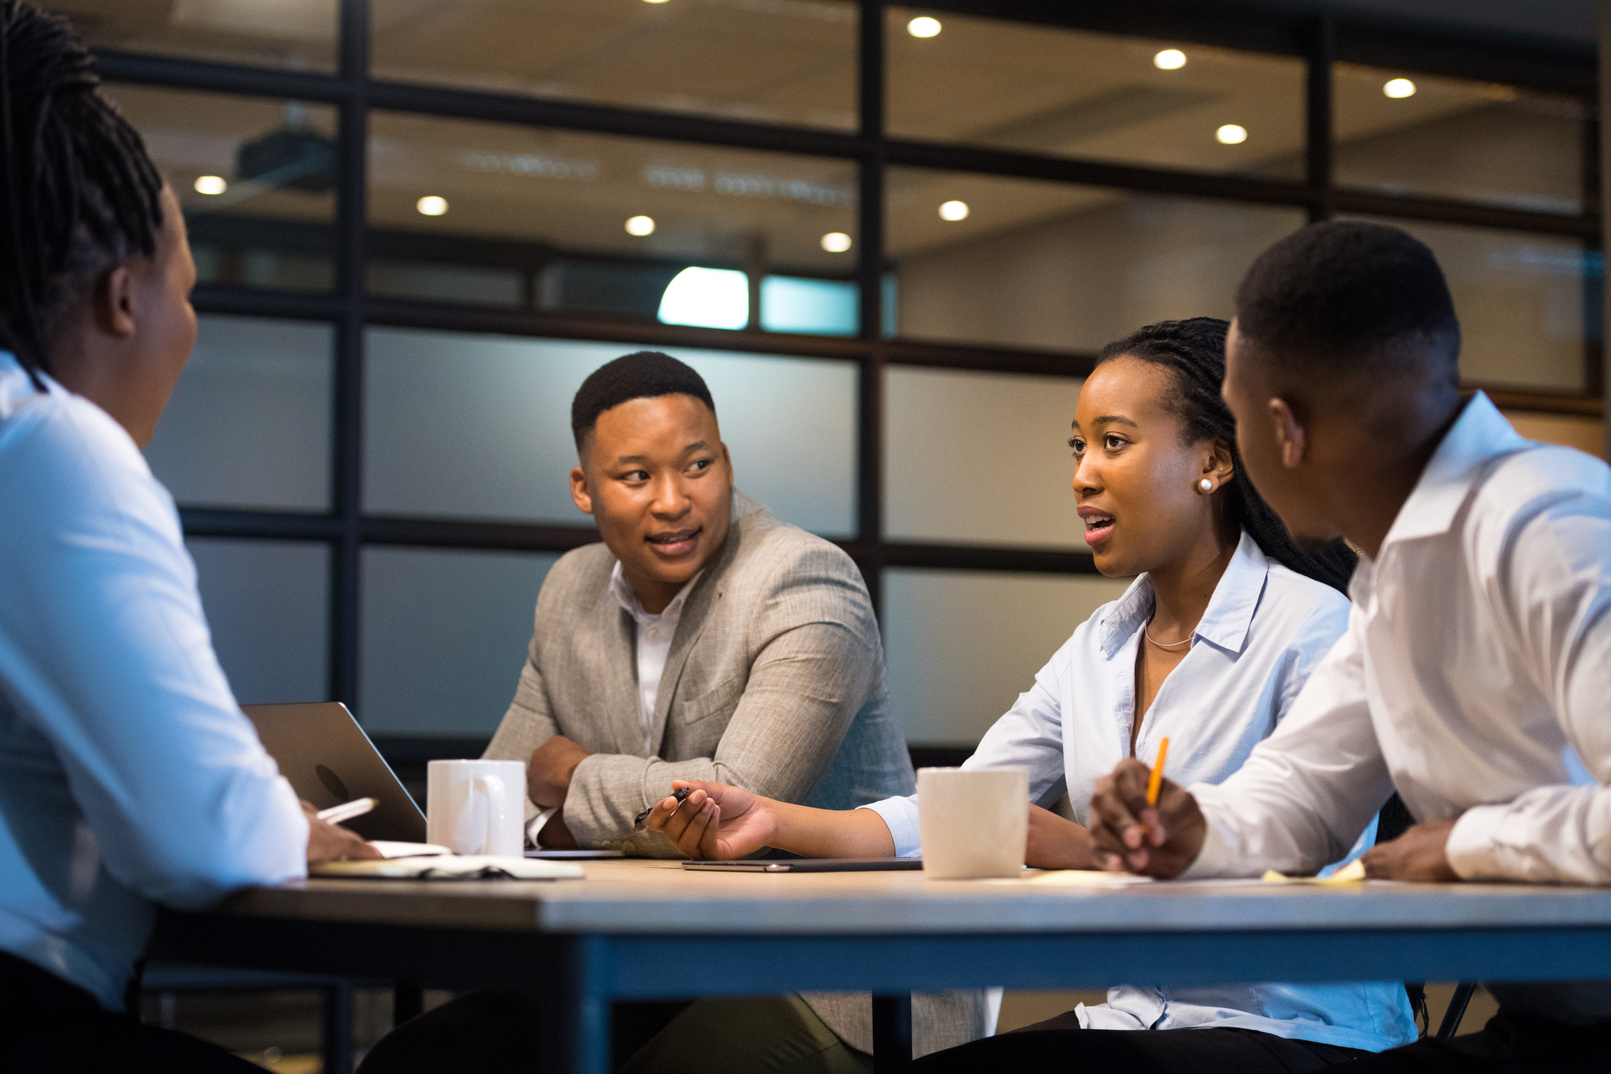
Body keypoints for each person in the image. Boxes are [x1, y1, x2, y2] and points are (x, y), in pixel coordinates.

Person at [649, 317, 1418, 1071]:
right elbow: (954, 811)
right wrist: (770, 820)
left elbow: (1310, 877)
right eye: (1079, 446)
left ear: (1211, 462)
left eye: (1114, 443)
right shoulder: (1099, 646)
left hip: (1297, 1030)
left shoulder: (1312, 626)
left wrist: (1080, 850)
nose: (1082, 474)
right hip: (1133, 1018)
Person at [1078, 220, 1611, 1072]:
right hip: (1550, 1026)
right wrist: (1189, 826)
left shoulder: (1546, 525)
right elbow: (1304, 792)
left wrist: (1465, 845)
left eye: (1242, 427)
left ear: (1282, 430)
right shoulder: (1397, 570)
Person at [359, 350, 981, 1073]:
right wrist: (549, 810)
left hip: (833, 979)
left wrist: (573, 782)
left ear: (725, 460)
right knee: (420, 1059)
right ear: (582, 488)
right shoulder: (571, 588)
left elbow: (733, 802)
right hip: (656, 963)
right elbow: (494, 791)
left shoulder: (804, 580)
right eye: (635, 476)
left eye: (697, 466)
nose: (673, 499)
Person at [0, 4, 374, 1071]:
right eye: (190, 291)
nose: (191, 326)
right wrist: (276, 817)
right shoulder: (54, 450)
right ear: (125, 299)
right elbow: (197, 837)